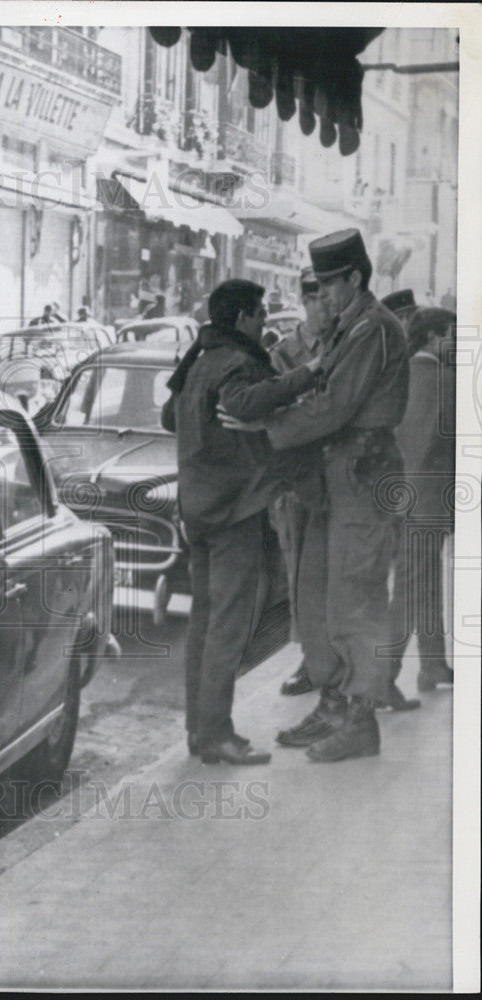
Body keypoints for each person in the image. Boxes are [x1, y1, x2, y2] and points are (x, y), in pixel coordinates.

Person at [221, 229, 410, 763]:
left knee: (357, 599)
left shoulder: (371, 330)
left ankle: (360, 721)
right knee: (332, 597)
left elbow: (331, 407)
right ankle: (337, 706)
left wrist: (264, 424)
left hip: (362, 473)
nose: (320, 296)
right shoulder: (353, 327)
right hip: (342, 474)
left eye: (328, 285)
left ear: (354, 278)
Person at [164, 279, 321, 765]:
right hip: (233, 511)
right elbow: (243, 403)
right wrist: (308, 374)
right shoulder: (237, 361)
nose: (263, 322)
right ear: (240, 318)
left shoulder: (199, 359)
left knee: (205, 624)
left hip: (199, 510)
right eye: (259, 314)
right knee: (229, 628)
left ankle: (199, 730)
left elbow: (170, 416)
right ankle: (216, 734)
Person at [385, 307, 457, 698]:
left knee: (422, 585)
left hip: (399, 499)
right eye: (451, 334)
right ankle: (381, 678)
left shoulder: (398, 377)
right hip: (429, 503)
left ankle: (433, 664)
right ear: (432, 337)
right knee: (413, 590)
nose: (457, 343)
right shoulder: (450, 382)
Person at [269, 267, 333, 698]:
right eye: (321, 300)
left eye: (333, 299)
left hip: (338, 475)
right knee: (300, 576)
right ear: (306, 301)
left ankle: (333, 657)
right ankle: (312, 659)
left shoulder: (347, 345)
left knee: (336, 573)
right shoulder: (283, 354)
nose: (330, 308)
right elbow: (277, 411)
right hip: (296, 479)